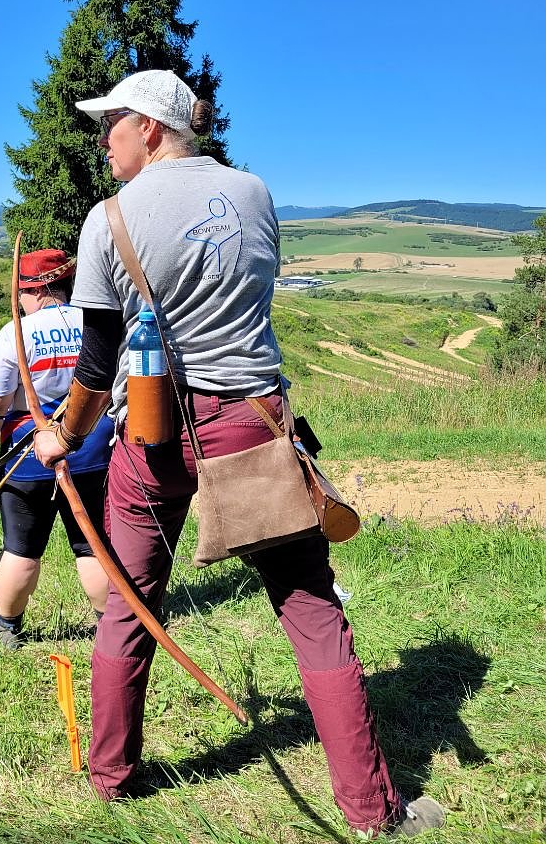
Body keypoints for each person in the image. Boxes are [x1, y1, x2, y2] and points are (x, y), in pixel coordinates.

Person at [35, 70, 445, 837]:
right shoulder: (253, 192)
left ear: (149, 127)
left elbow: (96, 361)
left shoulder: (108, 218)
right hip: (251, 425)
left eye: (111, 124)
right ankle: (372, 810)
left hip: (150, 435)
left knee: (129, 604)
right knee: (311, 611)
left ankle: (112, 779)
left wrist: (63, 433)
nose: (102, 141)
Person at [0, 248, 112, 649]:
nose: (19, 301)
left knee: (22, 548)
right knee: (92, 545)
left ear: (35, 290)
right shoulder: (95, 323)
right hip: (92, 451)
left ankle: (6, 629)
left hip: (28, 459)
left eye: (21, 292)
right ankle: (112, 628)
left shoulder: (15, 332)